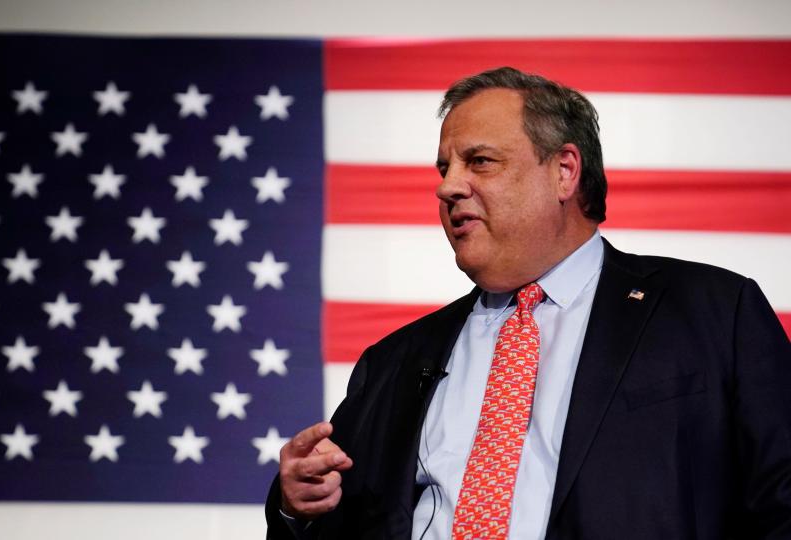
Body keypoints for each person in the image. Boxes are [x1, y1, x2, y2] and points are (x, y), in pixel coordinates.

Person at [265, 67, 791, 539]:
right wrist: (297, 508)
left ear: (564, 171)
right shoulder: (393, 361)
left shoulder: (715, 313)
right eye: (444, 167)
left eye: (480, 162)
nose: (447, 187)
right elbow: (339, 521)